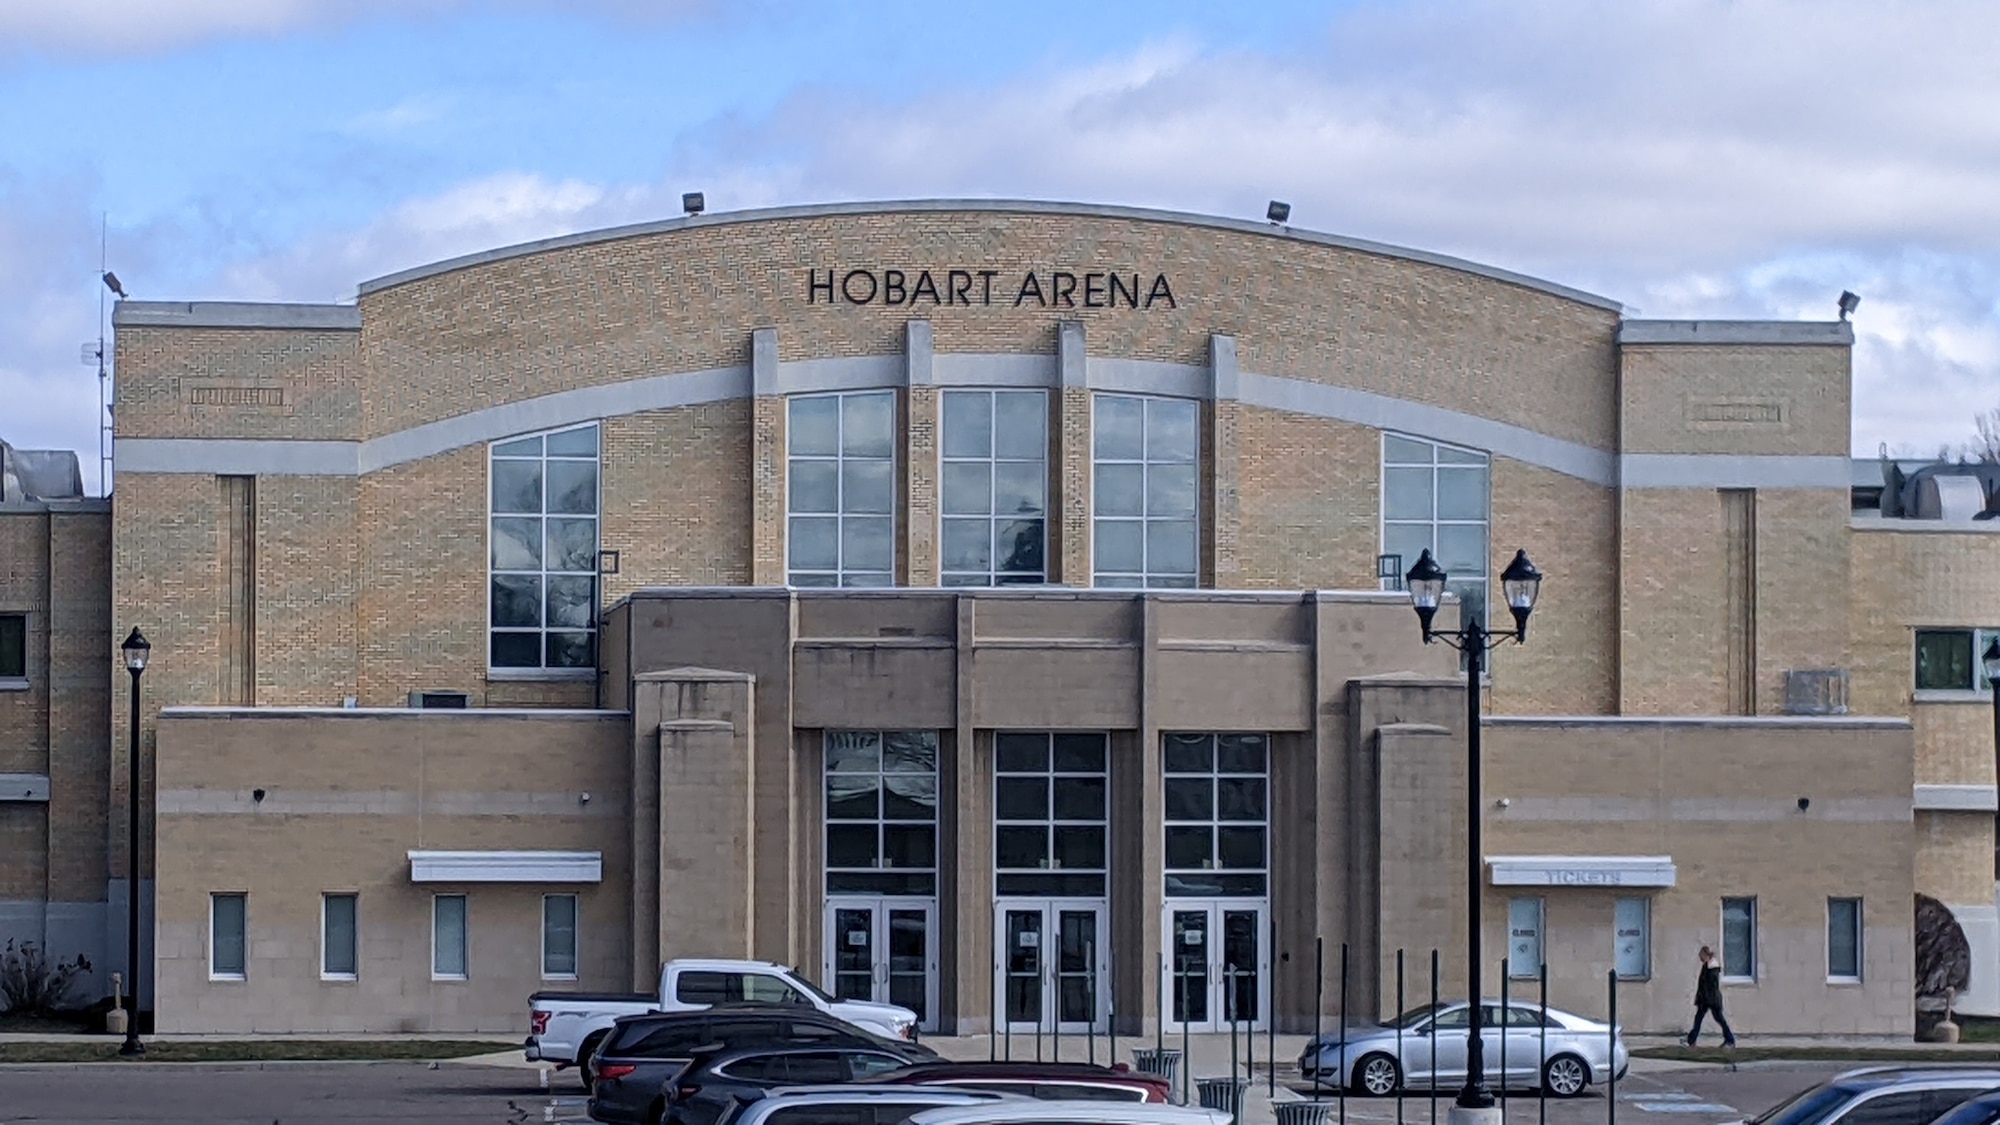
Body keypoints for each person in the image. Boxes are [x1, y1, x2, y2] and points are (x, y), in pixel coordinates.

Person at [1686, 946, 1737, 1047]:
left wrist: (1703, 998)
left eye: (1701, 956)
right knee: (1700, 1019)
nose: (1700, 958)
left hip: (1711, 999)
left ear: (1706, 955)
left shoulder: (1712, 968)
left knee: (1719, 1019)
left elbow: (1709, 985)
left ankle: (1730, 1040)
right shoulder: (1707, 966)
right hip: (1706, 999)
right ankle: (1691, 1041)